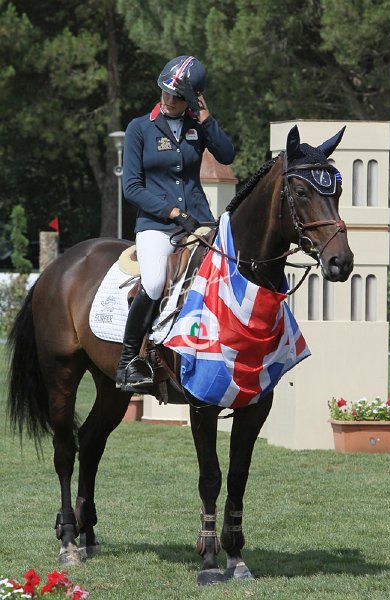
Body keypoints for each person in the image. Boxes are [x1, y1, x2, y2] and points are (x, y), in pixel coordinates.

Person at [116, 55, 235, 392]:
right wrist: (171, 212)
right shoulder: (139, 128)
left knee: (224, 276)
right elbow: (132, 188)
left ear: (192, 100)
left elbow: (227, 155)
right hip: (156, 224)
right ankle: (128, 361)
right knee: (155, 282)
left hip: (199, 221)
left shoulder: (198, 128)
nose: (169, 100)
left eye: (178, 96)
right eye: (165, 92)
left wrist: (206, 118)